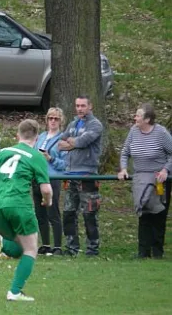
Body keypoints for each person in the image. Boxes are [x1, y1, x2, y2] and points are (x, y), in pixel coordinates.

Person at [0, 119, 52, 302]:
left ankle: (4, 248)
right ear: (37, 137)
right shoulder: (36, 156)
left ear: (18, 135)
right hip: (19, 204)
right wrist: (48, 201)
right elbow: (46, 189)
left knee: (19, 247)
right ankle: (15, 292)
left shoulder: (3, 152)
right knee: (31, 249)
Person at [118, 103, 172, 259]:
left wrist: (165, 170)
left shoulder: (161, 133)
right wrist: (123, 169)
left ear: (147, 119)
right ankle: (143, 252)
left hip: (159, 180)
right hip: (140, 179)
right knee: (144, 215)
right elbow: (125, 152)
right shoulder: (133, 131)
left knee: (158, 214)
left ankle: (157, 252)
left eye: (138, 115)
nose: (135, 118)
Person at [58, 95, 103, 256]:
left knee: (89, 214)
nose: (80, 109)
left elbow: (82, 142)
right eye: (77, 105)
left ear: (90, 106)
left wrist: (73, 143)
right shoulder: (72, 124)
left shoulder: (95, 124)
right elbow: (60, 145)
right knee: (69, 213)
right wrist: (73, 143)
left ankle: (92, 249)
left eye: (83, 105)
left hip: (88, 175)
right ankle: (72, 248)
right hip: (70, 174)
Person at [33, 107, 67, 256]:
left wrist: (51, 158)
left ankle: (58, 245)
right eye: (50, 118)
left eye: (56, 119)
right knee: (40, 213)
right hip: (37, 177)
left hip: (52, 177)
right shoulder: (41, 137)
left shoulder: (62, 140)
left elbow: (65, 163)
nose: (53, 121)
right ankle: (45, 243)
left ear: (61, 121)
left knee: (53, 212)